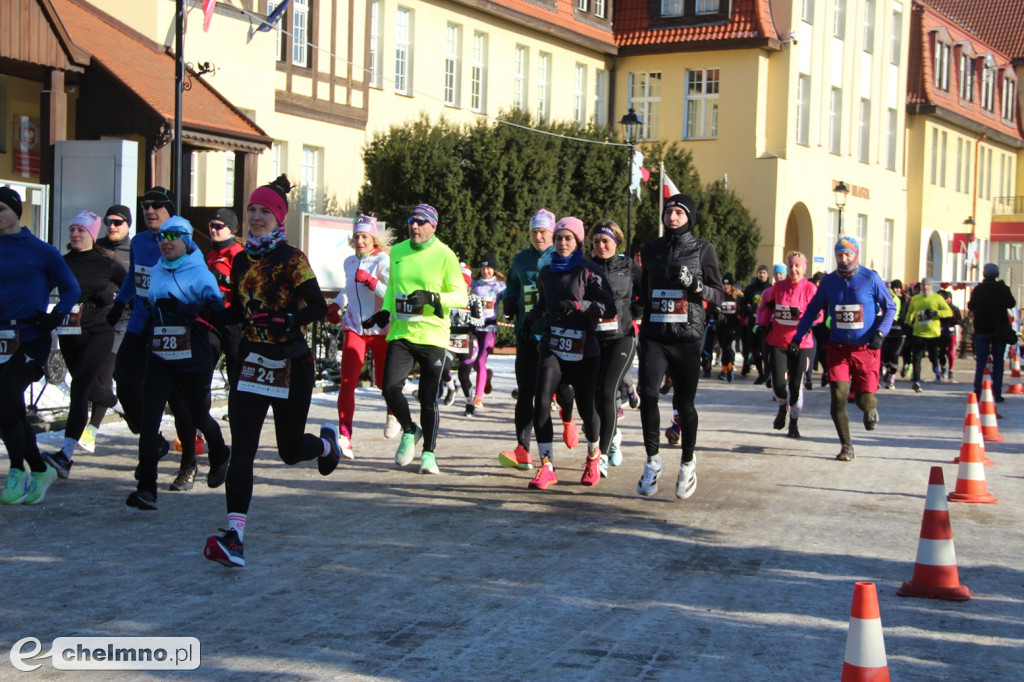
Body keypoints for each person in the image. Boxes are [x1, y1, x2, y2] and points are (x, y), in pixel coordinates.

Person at [204, 176, 339, 568]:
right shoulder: (243, 259)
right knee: (242, 448)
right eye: (252, 209)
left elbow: (316, 307)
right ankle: (235, 537)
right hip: (251, 361)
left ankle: (326, 446)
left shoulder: (291, 258)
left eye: (265, 210)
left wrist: (284, 318)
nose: (257, 216)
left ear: (278, 217)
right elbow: (238, 314)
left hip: (291, 361)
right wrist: (205, 307)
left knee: (289, 451)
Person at [125, 217, 232, 510]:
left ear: (186, 240)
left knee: (197, 414)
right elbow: (147, 306)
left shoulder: (201, 273)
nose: (165, 242)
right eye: (162, 237)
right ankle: (146, 488)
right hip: (160, 352)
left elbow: (217, 315)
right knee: (150, 418)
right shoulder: (157, 270)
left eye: (173, 236)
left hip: (192, 351)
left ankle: (220, 453)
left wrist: (187, 310)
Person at [365, 203, 467, 475]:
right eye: (412, 220)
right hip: (402, 333)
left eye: (421, 222)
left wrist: (433, 298)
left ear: (433, 226)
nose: (415, 226)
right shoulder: (397, 252)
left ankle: (429, 454)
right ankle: (410, 430)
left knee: (427, 398)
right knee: (388, 388)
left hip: (432, 335)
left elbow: (461, 296)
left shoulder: (445, 255)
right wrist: (384, 313)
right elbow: (393, 289)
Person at [635, 193, 724, 499]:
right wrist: (635, 309)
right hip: (655, 334)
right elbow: (640, 289)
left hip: (687, 336)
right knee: (647, 394)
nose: (672, 217)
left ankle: (687, 462)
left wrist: (696, 286)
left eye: (678, 213)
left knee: (684, 404)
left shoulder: (703, 250)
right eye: (668, 212)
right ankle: (652, 460)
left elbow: (719, 295)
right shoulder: (649, 249)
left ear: (689, 218)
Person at [106, 187, 199, 469]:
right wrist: (119, 303)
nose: (149, 211)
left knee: (178, 398)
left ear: (170, 210)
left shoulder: (185, 241)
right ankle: (154, 441)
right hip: (139, 324)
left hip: (172, 328)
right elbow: (134, 277)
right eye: (145, 205)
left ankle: (188, 462)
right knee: (125, 384)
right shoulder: (139, 243)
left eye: (157, 205)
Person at [0, 187, 79, 505]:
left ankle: (17, 470)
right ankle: (38, 467)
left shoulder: (41, 250)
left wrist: (55, 316)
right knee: (13, 409)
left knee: (4, 402)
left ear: (16, 213)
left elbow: (72, 288)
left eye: (3, 208)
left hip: (30, 338)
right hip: (0, 338)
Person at [525, 217, 615, 490]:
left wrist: (578, 305)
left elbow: (608, 308)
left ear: (578, 242)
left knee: (588, 410)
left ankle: (593, 456)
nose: (562, 243)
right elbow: (544, 302)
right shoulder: (547, 272)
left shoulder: (590, 271)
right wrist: (531, 320)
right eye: (559, 238)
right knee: (541, 401)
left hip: (585, 348)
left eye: (568, 239)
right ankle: (547, 466)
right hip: (554, 344)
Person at [789, 237, 896, 461]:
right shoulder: (829, 282)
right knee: (838, 396)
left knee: (864, 399)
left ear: (856, 254)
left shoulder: (870, 278)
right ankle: (846, 445)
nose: (843, 259)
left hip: (866, 347)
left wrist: (880, 333)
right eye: (839, 255)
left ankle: (869, 408)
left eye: (847, 254)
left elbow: (890, 307)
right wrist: (797, 337)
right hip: (838, 347)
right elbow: (811, 310)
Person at [43, 211, 125, 477]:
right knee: (86, 387)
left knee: (79, 388)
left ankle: (65, 456)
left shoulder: (107, 263)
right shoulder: (61, 262)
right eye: (72, 230)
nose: (76, 235)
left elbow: (131, 290)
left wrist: (111, 299)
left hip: (99, 331)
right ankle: (120, 406)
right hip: (69, 330)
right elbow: (41, 286)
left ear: (92, 234)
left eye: (81, 230)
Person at [497, 210, 579, 470]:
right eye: (534, 232)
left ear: (553, 233)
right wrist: (509, 302)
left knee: (563, 388)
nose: (539, 236)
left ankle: (567, 417)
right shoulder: (520, 260)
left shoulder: (561, 257)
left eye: (543, 232)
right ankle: (522, 450)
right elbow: (512, 286)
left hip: (555, 335)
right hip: (527, 333)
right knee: (525, 394)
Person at [325, 214, 392, 458]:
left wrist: (373, 282)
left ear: (373, 238)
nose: (360, 241)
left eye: (364, 236)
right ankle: (345, 436)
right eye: (356, 237)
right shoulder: (349, 262)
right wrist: (336, 304)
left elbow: (391, 295)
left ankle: (393, 414)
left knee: (385, 382)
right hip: (355, 327)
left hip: (381, 328)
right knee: (347, 382)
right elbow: (348, 289)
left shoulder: (383, 260)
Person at [588, 219, 641, 476]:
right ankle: (615, 434)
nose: (600, 245)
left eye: (605, 241)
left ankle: (604, 453)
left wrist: (638, 314)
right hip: (594, 338)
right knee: (596, 396)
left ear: (616, 242)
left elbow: (645, 293)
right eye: (596, 241)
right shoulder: (587, 266)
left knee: (608, 389)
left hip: (623, 337)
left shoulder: (629, 266)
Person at [756, 250, 820, 438]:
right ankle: (782, 408)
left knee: (795, 385)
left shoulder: (810, 289)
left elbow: (820, 314)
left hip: (801, 344)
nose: (793, 269)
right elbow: (764, 309)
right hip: (778, 342)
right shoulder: (777, 288)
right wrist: (761, 325)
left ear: (804, 268)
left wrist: (807, 325)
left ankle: (794, 422)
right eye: (790, 266)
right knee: (779, 384)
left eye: (797, 266)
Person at [968, 263, 1017, 403]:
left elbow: (971, 306)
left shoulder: (979, 289)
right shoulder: (1002, 289)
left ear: (984, 274)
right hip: (999, 330)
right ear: (996, 274)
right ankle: (997, 393)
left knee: (981, 363)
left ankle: (977, 392)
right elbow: (1012, 303)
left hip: (982, 330)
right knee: (998, 363)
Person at [205, 208, 244, 380]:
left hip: (234, 320)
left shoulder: (238, 253)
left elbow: (245, 285)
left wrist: (223, 278)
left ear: (231, 228)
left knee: (235, 371)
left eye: (219, 226)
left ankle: (238, 405)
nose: (213, 229)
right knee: (205, 366)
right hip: (213, 318)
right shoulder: (212, 254)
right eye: (211, 225)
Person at [467, 253, 505, 410]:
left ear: (494, 269)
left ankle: (478, 397)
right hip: (474, 328)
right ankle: (486, 375)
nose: (486, 271)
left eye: (489, 268)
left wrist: (506, 313)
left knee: (481, 360)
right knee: (474, 363)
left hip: (489, 328)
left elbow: (507, 304)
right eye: (483, 267)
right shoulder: (475, 284)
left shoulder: (499, 286)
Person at [903, 277, 952, 393]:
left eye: (928, 285)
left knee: (933, 356)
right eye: (923, 285)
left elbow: (949, 312)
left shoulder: (937, 298)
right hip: (918, 332)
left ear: (931, 287)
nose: (925, 287)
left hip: (933, 333)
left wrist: (936, 313)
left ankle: (936, 367)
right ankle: (917, 380)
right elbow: (910, 312)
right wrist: (907, 323)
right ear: (921, 286)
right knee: (917, 357)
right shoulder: (915, 299)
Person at [743, 265, 771, 383]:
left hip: (766, 324)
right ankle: (760, 374)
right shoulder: (750, 289)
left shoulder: (771, 288)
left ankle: (767, 373)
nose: (762, 275)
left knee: (765, 350)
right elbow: (743, 304)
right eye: (760, 272)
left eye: (764, 272)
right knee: (754, 349)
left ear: (768, 274)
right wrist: (749, 308)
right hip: (753, 323)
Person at [716, 273, 744, 382]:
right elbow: (713, 308)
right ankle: (725, 368)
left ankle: (728, 368)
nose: (726, 286)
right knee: (724, 347)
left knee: (729, 347)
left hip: (733, 326)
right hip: (721, 326)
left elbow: (743, 310)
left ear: (731, 285)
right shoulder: (719, 295)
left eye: (728, 284)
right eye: (724, 284)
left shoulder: (737, 296)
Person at [880, 279, 906, 389]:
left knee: (895, 354)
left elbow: (906, 314)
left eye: (898, 288)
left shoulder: (904, 301)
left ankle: (891, 379)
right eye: (895, 287)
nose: (896, 290)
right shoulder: (888, 297)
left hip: (899, 332)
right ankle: (886, 370)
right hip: (888, 331)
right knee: (885, 355)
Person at [937, 289, 962, 383]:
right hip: (941, 332)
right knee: (941, 351)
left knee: (951, 351)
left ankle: (951, 370)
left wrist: (954, 323)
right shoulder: (939, 307)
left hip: (951, 332)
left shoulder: (954, 308)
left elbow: (960, 320)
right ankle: (943, 367)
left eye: (946, 299)